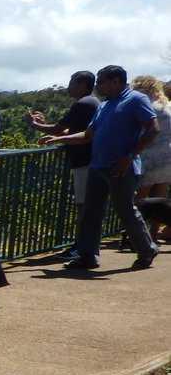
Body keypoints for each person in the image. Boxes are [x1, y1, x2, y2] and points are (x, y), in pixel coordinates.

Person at [42, 65, 159, 270]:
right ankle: (88, 255)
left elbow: (153, 129)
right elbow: (89, 135)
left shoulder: (135, 99)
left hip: (121, 166)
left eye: (102, 81)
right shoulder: (105, 105)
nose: (98, 85)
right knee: (91, 211)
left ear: (116, 81)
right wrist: (60, 138)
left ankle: (146, 249)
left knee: (125, 210)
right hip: (98, 165)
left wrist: (129, 157)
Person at [28, 71, 100, 258]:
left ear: (83, 84)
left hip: (84, 161)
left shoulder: (83, 104)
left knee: (84, 206)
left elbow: (58, 128)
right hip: (88, 160)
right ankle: (84, 246)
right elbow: (71, 130)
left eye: (72, 82)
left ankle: (82, 248)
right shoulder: (92, 103)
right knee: (86, 205)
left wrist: (34, 124)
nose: (69, 86)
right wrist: (55, 134)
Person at [130, 75, 171, 210]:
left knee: (140, 199)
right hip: (167, 156)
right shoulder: (166, 105)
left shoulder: (146, 106)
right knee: (160, 199)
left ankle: (135, 227)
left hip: (149, 157)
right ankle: (154, 229)